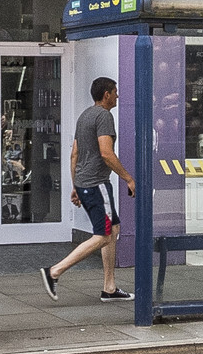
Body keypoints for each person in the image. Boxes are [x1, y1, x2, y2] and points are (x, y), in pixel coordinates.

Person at [39, 76, 137, 304]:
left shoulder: (85, 115)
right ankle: (54, 272)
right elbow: (106, 153)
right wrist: (128, 178)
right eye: (115, 92)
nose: (118, 96)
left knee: (113, 229)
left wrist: (75, 185)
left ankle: (109, 288)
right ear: (106, 95)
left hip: (86, 183)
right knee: (103, 235)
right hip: (97, 184)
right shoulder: (104, 116)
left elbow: (75, 153)